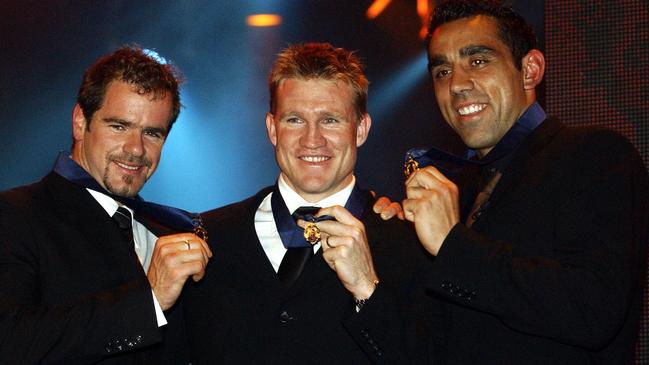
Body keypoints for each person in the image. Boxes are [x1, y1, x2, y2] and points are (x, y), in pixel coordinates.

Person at [401, 0, 649, 363]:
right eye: (442, 71)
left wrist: (453, 244)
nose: (456, 85)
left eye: (478, 61)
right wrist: (368, 278)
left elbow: (593, 311)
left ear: (529, 70)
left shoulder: (594, 155)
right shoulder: (462, 193)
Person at [177, 43, 440, 364]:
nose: (312, 139)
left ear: (361, 130)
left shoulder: (414, 243)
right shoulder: (206, 235)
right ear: (272, 129)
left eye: (330, 120)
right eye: (294, 120)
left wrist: (368, 290)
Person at [0, 46, 212, 364]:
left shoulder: (175, 229)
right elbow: (11, 344)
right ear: (80, 122)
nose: (135, 149)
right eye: (119, 126)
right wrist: (149, 300)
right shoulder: (15, 215)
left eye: (152, 133)